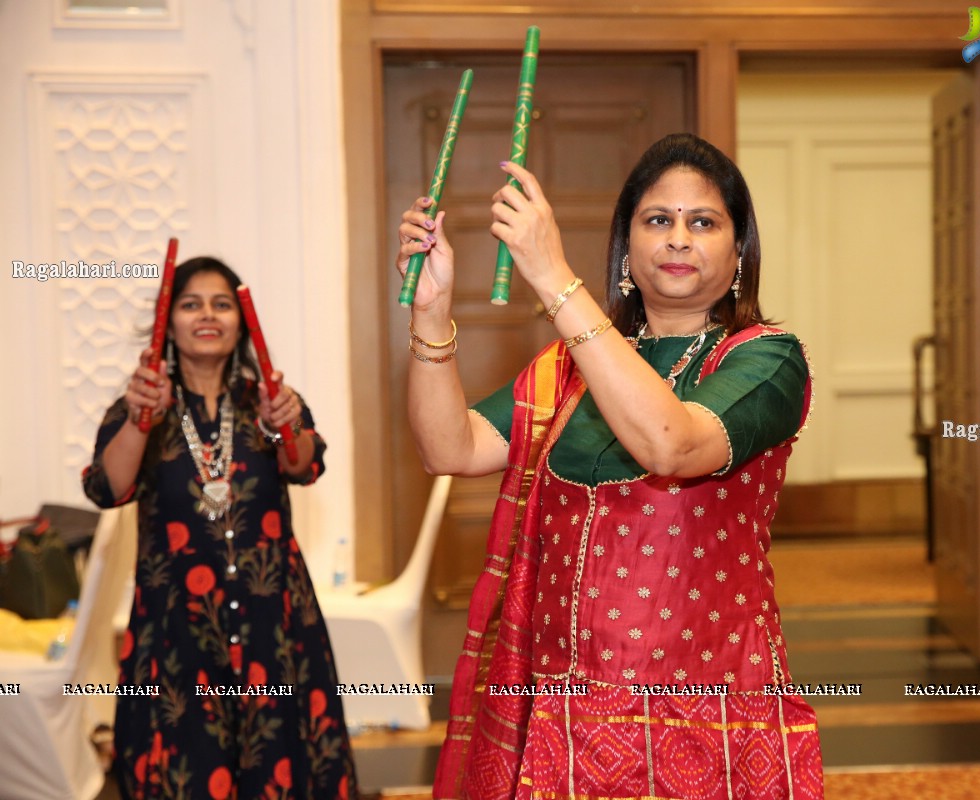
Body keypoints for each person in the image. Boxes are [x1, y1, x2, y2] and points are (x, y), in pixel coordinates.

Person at [399, 132, 822, 799]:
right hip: (563, 709)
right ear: (627, 250)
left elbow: (671, 445)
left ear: (738, 254)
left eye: (703, 222)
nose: (679, 238)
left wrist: (553, 278)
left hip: (703, 708)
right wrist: (430, 315)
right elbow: (449, 448)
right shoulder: (566, 373)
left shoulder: (765, 360)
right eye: (658, 220)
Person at [82, 256, 357, 799]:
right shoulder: (142, 405)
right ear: (168, 323)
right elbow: (107, 489)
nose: (207, 315)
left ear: (241, 321)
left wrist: (285, 429)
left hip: (272, 625)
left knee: (278, 763)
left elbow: (305, 465)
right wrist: (142, 421)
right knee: (188, 766)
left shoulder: (266, 401)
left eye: (221, 304)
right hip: (176, 631)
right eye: (191, 304)